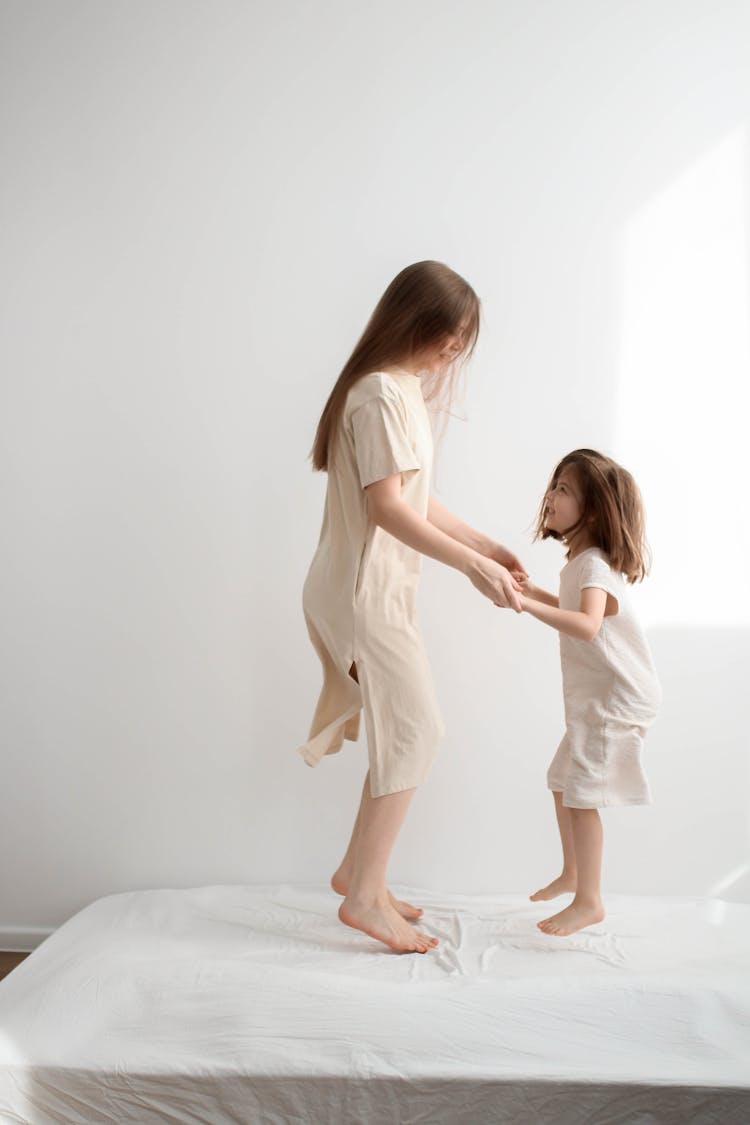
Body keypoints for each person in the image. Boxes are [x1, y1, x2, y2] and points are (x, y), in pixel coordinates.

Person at [298, 261, 526, 954]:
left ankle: (356, 874)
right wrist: (471, 565)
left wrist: (484, 541)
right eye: (447, 333)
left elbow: (410, 496)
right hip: (365, 593)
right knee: (416, 730)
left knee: (405, 730)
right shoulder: (379, 394)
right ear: (413, 320)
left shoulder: (392, 391)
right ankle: (364, 895)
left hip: (376, 590)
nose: (453, 349)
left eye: (463, 339)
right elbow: (387, 506)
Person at [519, 448, 662, 936]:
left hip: (616, 698)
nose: (551, 495)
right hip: (603, 695)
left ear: (594, 511)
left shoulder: (595, 565)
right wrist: (529, 591)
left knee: (581, 795)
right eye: (553, 485)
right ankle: (574, 873)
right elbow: (569, 607)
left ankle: (589, 899)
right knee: (562, 779)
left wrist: (524, 607)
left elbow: (585, 625)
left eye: (564, 489)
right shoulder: (578, 562)